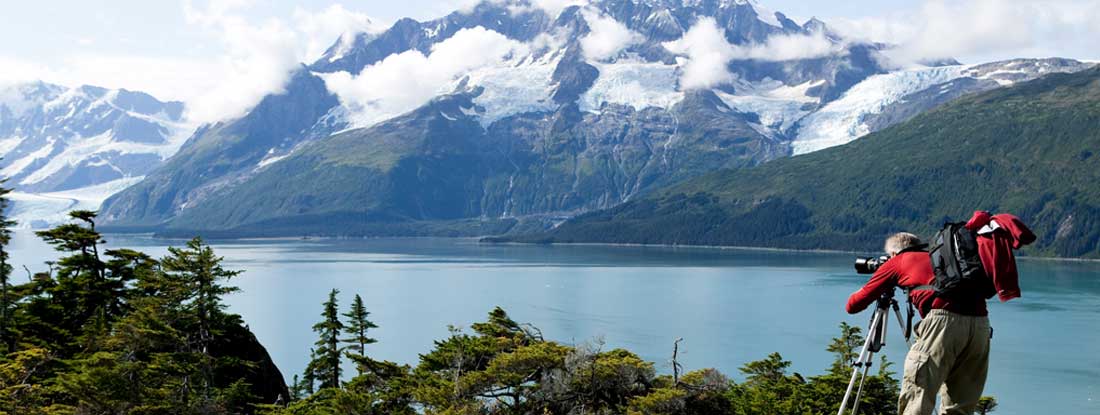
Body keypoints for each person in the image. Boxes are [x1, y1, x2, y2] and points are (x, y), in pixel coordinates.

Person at [846, 232, 991, 415]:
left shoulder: (898, 261)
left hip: (942, 323)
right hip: (981, 326)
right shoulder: (941, 258)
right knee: (959, 407)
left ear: (893, 253)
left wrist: (883, 276)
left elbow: (853, 305)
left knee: (917, 398)